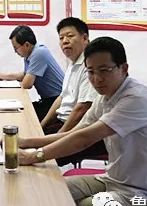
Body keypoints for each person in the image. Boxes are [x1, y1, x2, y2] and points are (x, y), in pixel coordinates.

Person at [15, 37, 147, 206]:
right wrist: (25, 142)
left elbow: (84, 139)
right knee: (52, 190)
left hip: (145, 203)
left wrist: (35, 155)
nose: (97, 78)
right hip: (114, 181)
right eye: (90, 71)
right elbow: (76, 132)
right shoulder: (106, 96)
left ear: (124, 68)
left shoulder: (136, 99)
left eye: (104, 70)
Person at [39, 18, 106, 166]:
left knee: (39, 159)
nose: (65, 41)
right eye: (61, 38)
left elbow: (82, 109)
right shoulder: (73, 63)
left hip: (81, 131)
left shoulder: (90, 65)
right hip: (64, 123)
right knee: (28, 136)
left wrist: (59, 137)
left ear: (85, 39)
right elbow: (62, 97)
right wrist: (41, 125)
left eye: (70, 36)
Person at [0, 25, 64, 120]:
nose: (15, 52)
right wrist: (3, 76)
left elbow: (27, 84)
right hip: (49, 100)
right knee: (21, 112)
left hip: (58, 101)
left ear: (26, 45)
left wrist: (7, 84)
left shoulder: (39, 53)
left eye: (16, 48)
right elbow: (25, 75)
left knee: (23, 116)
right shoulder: (29, 54)